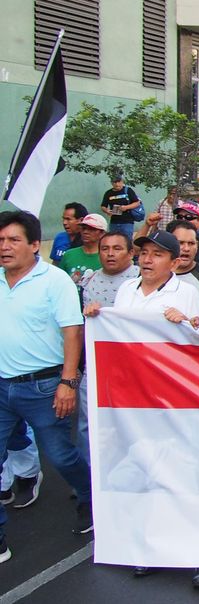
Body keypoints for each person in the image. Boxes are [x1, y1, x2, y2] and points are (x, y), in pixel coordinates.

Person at [0, 210, 94, 564]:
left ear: (33, 245)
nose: (5, 247)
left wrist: (68, 383)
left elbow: (73, 332)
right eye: (0, 241)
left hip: (43, 387)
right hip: (1, 387)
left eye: (13, 240)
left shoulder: (54, 281)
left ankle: (88, 497)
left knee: (60, 455)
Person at [81, 231, 139, 309]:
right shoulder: (89, 280)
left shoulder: (142, 278)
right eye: (105, 249)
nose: (110, 253)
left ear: (131, 253)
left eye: (117, 249)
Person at [58, 213, 107, 288]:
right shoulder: (69, 255)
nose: (86, 232)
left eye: (92, 229)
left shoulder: (107, 257)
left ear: (102, 233)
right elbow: (59, 282)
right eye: (83, 228)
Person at [167, 220, 199, 293]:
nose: (186, 248)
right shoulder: (152, 272)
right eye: (180, 243)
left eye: (191, 243)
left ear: (197, 245)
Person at [100, 170, 142, 237]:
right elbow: (103, 206)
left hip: (127, 222)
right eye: (115, 182)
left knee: (127, 240)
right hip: (114, 222)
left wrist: (126, 207)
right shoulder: (108, 193)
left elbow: (137, 203)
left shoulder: (128, 191)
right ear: (111, 183)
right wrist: (107, 211)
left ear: (122, 182)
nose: (117, 184)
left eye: (119, 182)